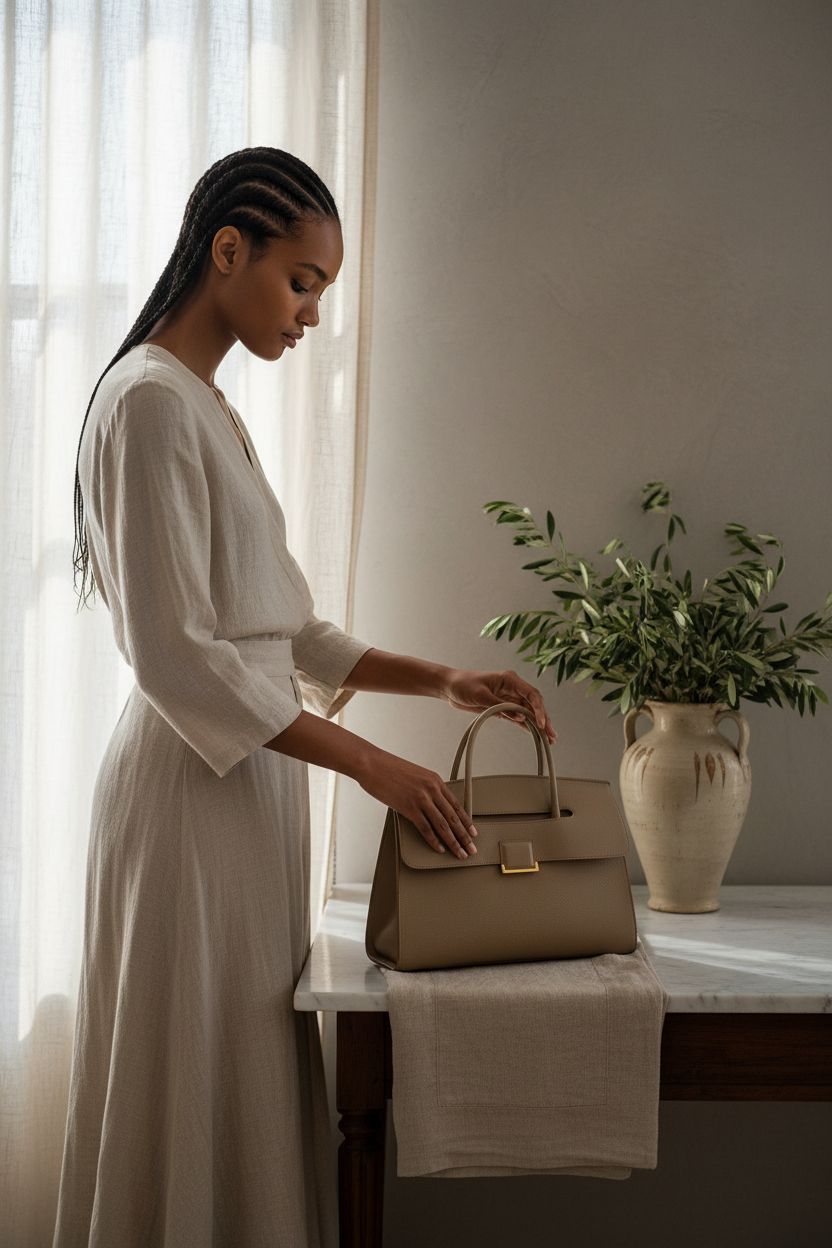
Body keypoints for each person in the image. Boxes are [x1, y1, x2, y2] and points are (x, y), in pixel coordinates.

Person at [54, 145, 557, 1247]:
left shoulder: (205, 407)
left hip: (245, 789)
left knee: (233, 1059)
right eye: (302, 281)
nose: (313, 313)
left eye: (321, 289)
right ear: (227, 250)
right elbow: (178, 656)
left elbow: (280, 631)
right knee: (188, 1064)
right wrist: (373, 764)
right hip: (190, 793)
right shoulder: (148, 404)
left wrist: (441, 680)